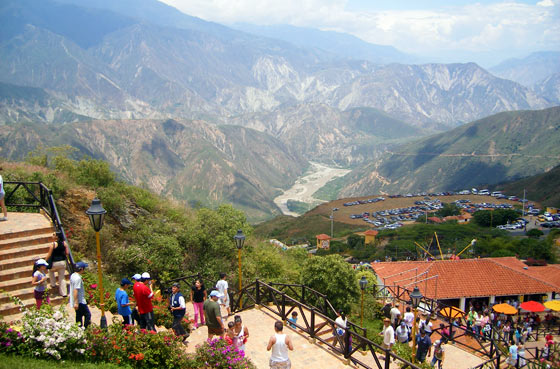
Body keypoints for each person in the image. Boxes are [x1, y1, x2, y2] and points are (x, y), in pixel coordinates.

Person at [45, 231, 69, 297]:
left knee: (50, 271)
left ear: (57, 237)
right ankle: (64, 293)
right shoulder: (64, 243)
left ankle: (53, 284)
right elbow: (67, 253)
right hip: (62, 262)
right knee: (62, 277)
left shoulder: (53, 244)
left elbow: (49, 254)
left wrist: (45, 261)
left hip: (55, 262)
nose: (52, 236)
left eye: (54, 235)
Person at [69, 261, 90, 328]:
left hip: (77, 300)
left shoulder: (73, 275)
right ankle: (86, 328)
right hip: (80, 301)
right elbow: (75, 290)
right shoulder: (78, 278)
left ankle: (78, 328)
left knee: (79, 315)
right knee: (87, 315)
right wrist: (76, 302)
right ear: (81, 269)